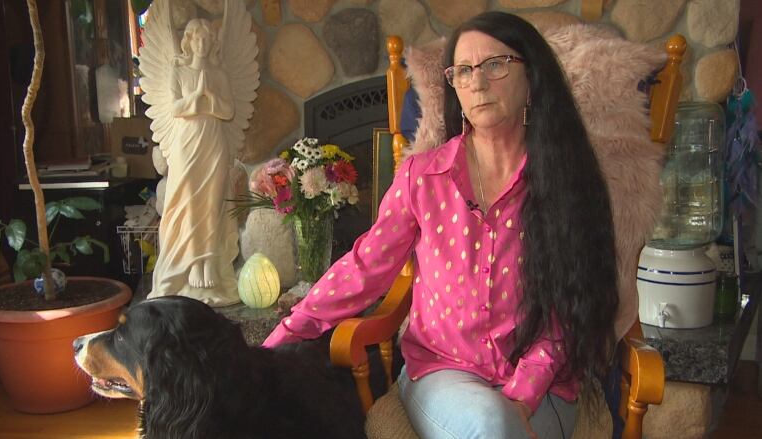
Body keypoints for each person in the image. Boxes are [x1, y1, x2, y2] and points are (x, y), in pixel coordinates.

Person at [263, 11, 619, 439]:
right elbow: (364, 268)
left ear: (532, 78)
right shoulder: (422, 177)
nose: (478, 82)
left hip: (543, 383)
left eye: (496, 64)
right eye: (463, 70)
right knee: (491, 425)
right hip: (442, 372)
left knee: (497, 425)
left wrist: (521, 397)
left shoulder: (566, 177)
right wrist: (285, 334)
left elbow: (570, 304)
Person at [148, 18, 240, 306]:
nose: (201, 44)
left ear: (212, 42)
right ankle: (187, 269)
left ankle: (208, 268)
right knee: (187, 204)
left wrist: (209, 97)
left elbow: (228, 112)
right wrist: (195, 97)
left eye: (206, 39)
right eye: (196, 39)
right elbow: (175, 107)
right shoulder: (179, 71)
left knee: (211, 205)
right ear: (188, 41)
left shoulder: (219, 74)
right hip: (186, 145)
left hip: (213, 142)